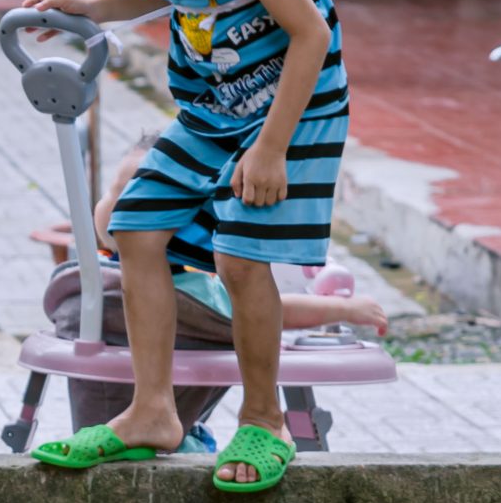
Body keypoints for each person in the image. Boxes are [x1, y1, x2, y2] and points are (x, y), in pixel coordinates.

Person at [22, 0, 351, 494]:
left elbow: (310, 32)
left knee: (240, 255)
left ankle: (264, 419)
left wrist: (270, 150)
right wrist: (92, 7)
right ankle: (152, 411)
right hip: (211, 108)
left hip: (291, 110)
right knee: (136, 230)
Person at [45, 133, 387, 446]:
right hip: (169, 435)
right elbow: (269, 312)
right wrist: (345, 309)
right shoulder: (190, 294)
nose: (122, 210)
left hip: (112, 420)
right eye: (115, 192)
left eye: (135, 200)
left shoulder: (86, 282)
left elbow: (259, 306)